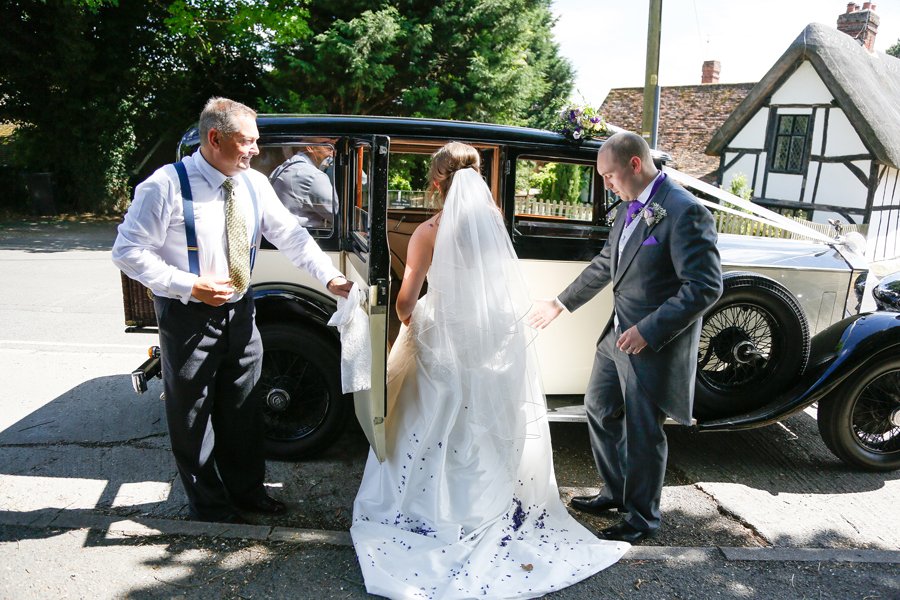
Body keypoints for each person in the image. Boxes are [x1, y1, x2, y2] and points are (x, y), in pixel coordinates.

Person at [350, 142, 628, 599]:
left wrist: (409, 317)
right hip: (488, 337)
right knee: (481, 423)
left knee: (431, 422)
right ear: (478, 177)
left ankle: (428, 509)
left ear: (437, 182)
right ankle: (488, 505)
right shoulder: (492, 222)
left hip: (445, 337)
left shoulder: (428, 232)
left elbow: (405, 301)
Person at [112, 97, 353, 523]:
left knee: (243, 406)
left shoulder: (253, 184)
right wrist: (189, 285)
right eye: (247, 141)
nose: (255, 150)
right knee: (192, 415)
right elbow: (128, 251)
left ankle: (248, 492)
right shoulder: (164, 186)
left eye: (256, 142)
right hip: (187, 316)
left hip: (241, 311)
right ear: (214, 138)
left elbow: (292, 236)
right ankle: (211, 507)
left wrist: (329, 277)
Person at [528, 132, 723, 544]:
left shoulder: (684, 211)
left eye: (610, 175)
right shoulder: (630, 205)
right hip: (615, 337)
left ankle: (641, 518)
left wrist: (648, 330)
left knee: (643, 432)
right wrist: (559, 303)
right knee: (598, 407)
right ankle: (615, 492)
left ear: (635, 164)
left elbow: (704, 287)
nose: (607, 184)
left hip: (651, 344)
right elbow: (606, 264)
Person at [269, 142, 337, 228]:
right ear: (311, 147)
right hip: (303, 236)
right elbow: (338, 215)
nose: (332, 154)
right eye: (329, 148)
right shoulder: (313, 175)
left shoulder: (287, 165)